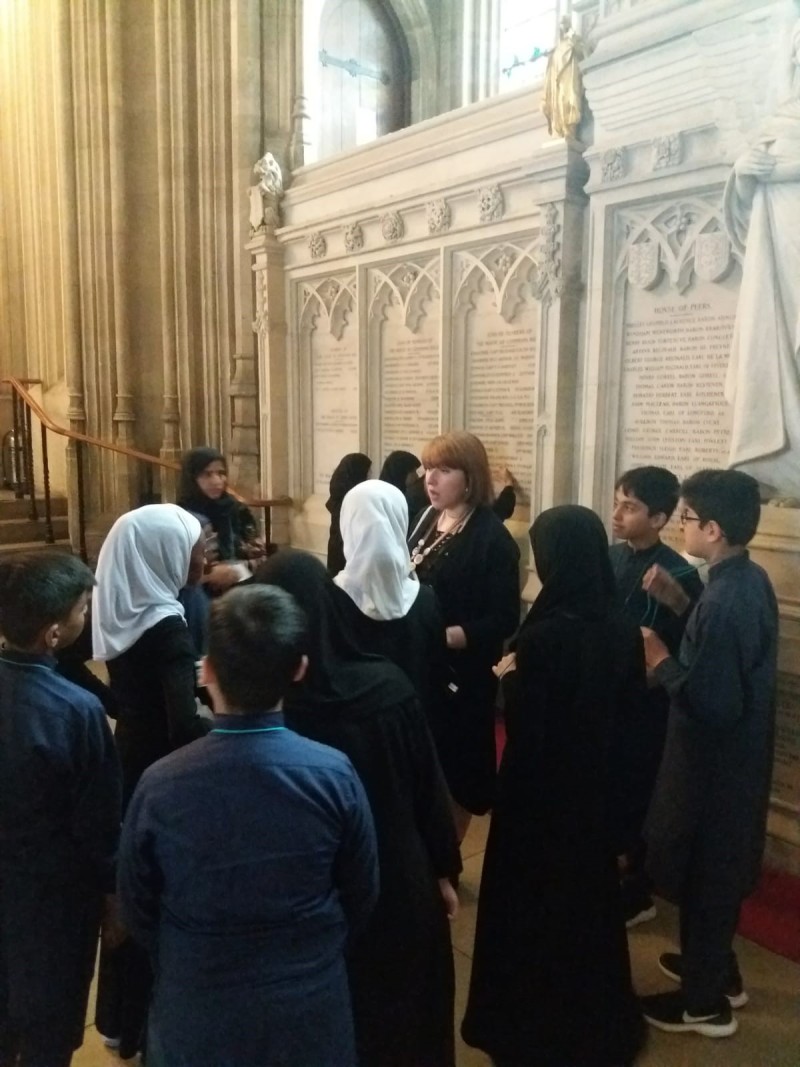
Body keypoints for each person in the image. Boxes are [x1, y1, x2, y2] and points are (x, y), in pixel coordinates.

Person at [118, 585, 379, 1067]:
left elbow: (136, 906)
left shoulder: (160, 784)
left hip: (197, 1007)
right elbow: (361, 892)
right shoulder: (335, 774)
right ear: (299, 669)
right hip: (308, 1003)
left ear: (206, 671)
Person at [256, 549, 462, 1067]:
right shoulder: (387, 687)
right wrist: (442, 869)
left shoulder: (263, 706)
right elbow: (427, 788)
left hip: (308, 888)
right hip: (396, 872)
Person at [461, 506, 646, 1067]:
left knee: (530, 912)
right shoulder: (622, 628)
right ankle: (594, 1022)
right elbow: (630, 725)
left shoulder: (543, 638)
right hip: (594, 800)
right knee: (586, 912)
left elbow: (530, 731)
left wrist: (511, 678)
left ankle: (527, 1026)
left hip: (537, 805)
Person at [639, 470, 778, 1038]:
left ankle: (703, 1004)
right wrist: (681, 602)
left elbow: (713, 701)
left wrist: (659, 660)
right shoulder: (744, 579)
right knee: (713, 876)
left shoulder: (724, 600)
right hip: (735, 767)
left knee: (705, 876)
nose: (683, 527)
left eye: (689, 518)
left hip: (712, 769)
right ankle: (719, 973)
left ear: (714, 529)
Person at [92, 503, 211, 1059]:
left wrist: (121, 706)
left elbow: (78, 665)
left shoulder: (119, 601)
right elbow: (183, 724)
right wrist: (227, 721)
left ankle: (121, 1021)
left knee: (131, 886)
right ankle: (153, 1025)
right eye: (194, 548)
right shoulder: (167, 626)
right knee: (158, 892)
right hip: (163, 770)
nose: (203, 558)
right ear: (164, 553)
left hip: (128, 756)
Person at [0, 552, 121, 1067]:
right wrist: (114, 900)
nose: (86, 617)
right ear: (53, 634)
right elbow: (98, 825)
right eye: (82, 609)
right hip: (53, 904)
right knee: (48, 1031)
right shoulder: (76, 711)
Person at [409, 430, 520, 840]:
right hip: (423, 665)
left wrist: (447, 636)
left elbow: (504, 618)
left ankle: (450, 852)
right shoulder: (426, 518)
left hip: (463, 674)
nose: (431, 479)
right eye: (428, 468)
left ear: (470, 478)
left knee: (458, 769)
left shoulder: (492, 538)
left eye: (444, 470)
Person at [609, 466, 705, 928]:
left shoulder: (680, 572)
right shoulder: (610, 556)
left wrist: (676, 602)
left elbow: (695, 641)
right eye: (617, 503)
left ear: (660, 518)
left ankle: (637, 890)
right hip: (610, 694)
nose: (617, 514)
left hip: (648, 704)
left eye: (630, 507)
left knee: (637, 792)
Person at [723, 21, 800, 497]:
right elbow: (743, 221)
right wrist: (744, 173)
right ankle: (784, 459)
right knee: (775, 339)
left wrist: (785, 170)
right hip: (778, 253)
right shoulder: (779, 121)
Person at [331, 478, 446, 720]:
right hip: (411, 723)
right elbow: (435, 673)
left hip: (350, 725)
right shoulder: (424, 600)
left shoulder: (330, 598)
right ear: (399, 522)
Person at [177, 446, 265, 593]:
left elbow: (260, 556)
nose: (217, 481)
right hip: (199, 593)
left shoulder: (237, 509)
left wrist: (234, 570)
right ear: (192, 478)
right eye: (207, 474)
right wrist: (209, 575)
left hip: (243, 589)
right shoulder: (180, 516)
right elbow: (176, 568)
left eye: (221, 473)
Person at [542, 15, 587, 139]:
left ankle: (570, 129)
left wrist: (575, 45)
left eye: (564, 23)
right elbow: (551, 73)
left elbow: (584, 54)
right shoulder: (556, 49)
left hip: (570, 77)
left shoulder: (575, 40)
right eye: (561, 24)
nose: (563, 27)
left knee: (571, 99)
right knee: (559, 100)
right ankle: (562, 128)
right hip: (558, 81)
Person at [326, 451, 371, 573]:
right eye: (367, 473)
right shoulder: (350, 499)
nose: (370, 477)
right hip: (345, 556)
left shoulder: (339, 493)